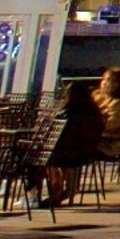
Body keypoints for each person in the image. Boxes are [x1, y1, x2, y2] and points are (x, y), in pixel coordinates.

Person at [42, 76, 107, 206]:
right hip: (87, 152)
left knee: (43, 158)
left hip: (69, 154)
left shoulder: (68, 115)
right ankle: (66, 189)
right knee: (54, 156)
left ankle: (55, 190)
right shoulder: (95, 114)